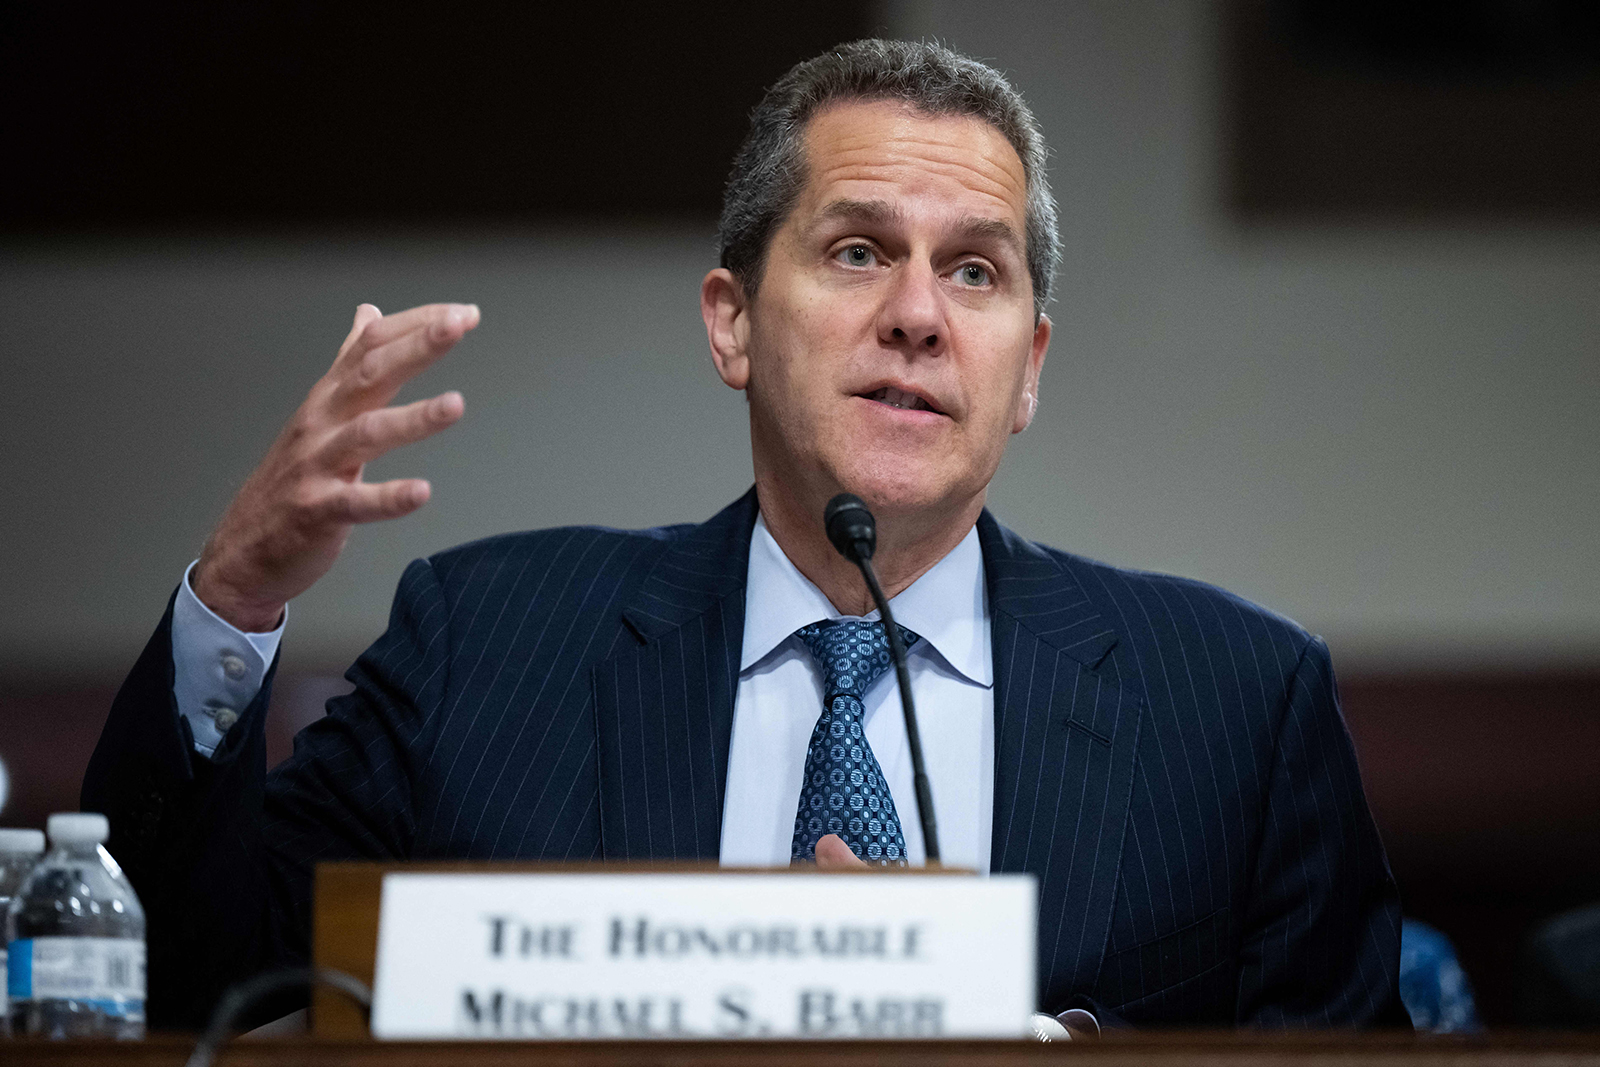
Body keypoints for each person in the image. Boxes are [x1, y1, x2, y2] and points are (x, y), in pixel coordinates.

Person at [84, 39, 1407, 1030]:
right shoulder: (488, 643)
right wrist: (236, 597)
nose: (917, 315)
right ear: (731, 322)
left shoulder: (1232, 702)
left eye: (975, 271)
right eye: (854, 252)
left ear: (1032, 368)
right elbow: (171, 990)